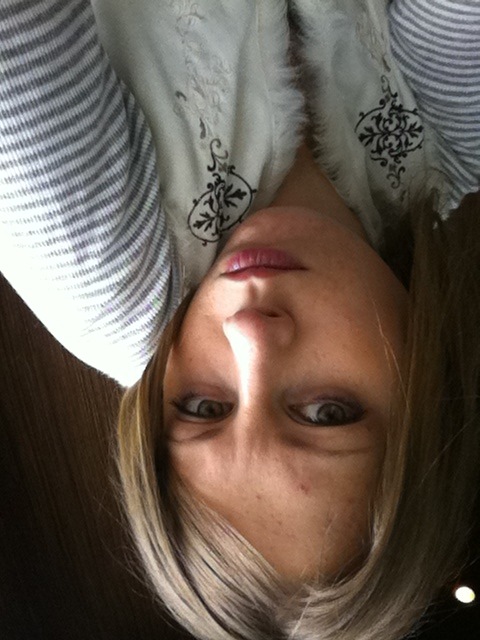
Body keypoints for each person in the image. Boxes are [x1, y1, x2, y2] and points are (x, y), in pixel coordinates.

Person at [1, 1, 480, 639]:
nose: (249, 334)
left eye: (202, 407)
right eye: (326, 412)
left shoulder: (115, 282)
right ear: (430, 394)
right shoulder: (446, 156)